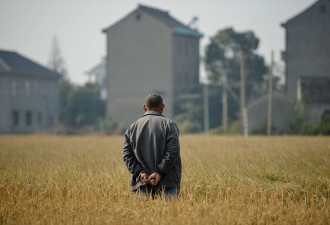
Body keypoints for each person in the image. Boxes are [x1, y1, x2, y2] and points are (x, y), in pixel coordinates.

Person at [123, 93, 181, 199]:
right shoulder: (169, 125)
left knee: (142, 215)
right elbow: (173, 152)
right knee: (170, 215)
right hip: (168, 184)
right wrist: (159, 172)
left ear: (145, 107)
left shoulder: (132, 128)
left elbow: (127, 155)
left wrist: (140, 173)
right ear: (162, 106)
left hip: (142, 184)